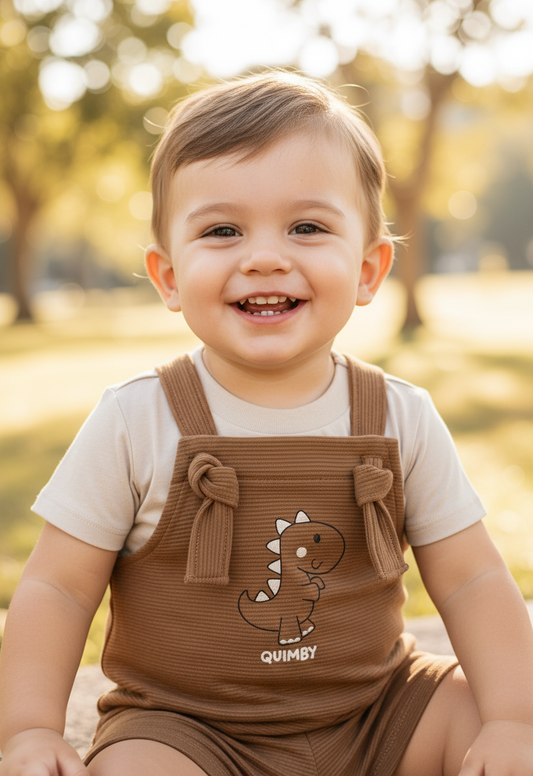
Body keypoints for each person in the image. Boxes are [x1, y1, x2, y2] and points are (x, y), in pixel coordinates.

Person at [0, 71, 532, 776]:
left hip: (382, 713)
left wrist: (510, 719)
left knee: (496, 725)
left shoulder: (400, 417)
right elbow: (58, 587)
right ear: (166, 276)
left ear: (371, 269)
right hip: (188, 730)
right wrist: (28, 731)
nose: (264, 257)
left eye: (306, 227)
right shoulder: (135, 420)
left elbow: (470, 581)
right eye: (222, 230)